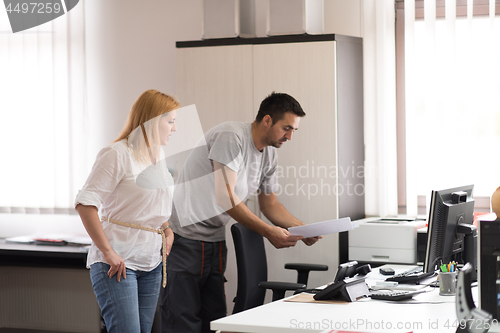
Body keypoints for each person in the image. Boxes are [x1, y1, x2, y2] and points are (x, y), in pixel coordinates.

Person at [160, 92, 321, 333]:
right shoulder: (230, 137)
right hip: (184, 239)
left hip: (214, 240)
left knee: (214, 321)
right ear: (267, 120)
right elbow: (225, 197)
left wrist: (302, 229)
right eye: (286, 128)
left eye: (293, 130)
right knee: (182, 322)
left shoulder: (269, 155)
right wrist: (269, 232)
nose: (289, 136)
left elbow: (270, 205)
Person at [75, 89, 179, 333]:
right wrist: (109, 252)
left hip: (151, 262)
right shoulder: (116, 154)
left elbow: (151, 207)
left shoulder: (158, 156)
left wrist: (167, 229)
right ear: (153, 121)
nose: (174, 129)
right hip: (118, 262)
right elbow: (86, 204)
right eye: (171, 122)